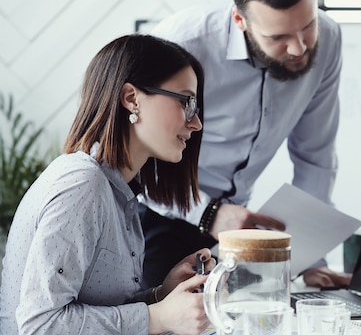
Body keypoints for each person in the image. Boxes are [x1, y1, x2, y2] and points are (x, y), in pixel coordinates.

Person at [140, 0, 348, 288]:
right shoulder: (181, 44)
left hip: (237, 226)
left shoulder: (326, 39)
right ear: (240, 19)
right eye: (279, 36)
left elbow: (315, 157)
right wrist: (208, 214)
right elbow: (139, 154)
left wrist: (307, 260)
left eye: (307, 25)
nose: (299, 48)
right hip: (162, 214)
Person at [0, 35, 215, 335]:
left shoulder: (118, 192)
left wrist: (160, 297)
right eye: (185, 102)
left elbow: (94, 309)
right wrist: (157, 318)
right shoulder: (82, 185)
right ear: (131, 99)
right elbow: (40, 325)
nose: (196, 123)